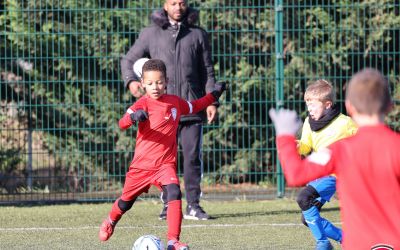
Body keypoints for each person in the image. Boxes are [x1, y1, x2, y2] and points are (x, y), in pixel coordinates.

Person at [99, 59, 225, 250]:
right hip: (141, 166)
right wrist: (134, 117)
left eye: (158, 82)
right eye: (149, 83)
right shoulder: (142, 104)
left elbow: (196, 105)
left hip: (165, 165)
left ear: (166, 81)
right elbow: (122, 123)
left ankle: (173, 241)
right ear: (142, 83)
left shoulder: (174, 102)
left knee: (174, 192)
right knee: (126, 202)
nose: (155, 87)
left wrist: (214, 94)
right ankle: (110, 220)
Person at [269, 68, 400, 249]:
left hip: (359, 243)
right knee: (307, 214)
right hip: (393, 241)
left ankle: (323, 243)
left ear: (350, 107)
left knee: (306, 201)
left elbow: (295, 174)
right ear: (390, 107)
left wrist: (284, 137)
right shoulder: (395, 147)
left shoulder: (340, 150)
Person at [121, 0, 217, 221]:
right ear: (165, 5)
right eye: (173, 3)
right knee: (165, 161)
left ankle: (193, 205)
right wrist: (131, 82)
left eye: (182, 3)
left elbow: (208, 71)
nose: (178, 7)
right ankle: (168, 205)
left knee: (192, 158)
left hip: (190, 108)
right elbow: (128, 60)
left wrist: (211, 100)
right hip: (160, 114)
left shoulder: (198, 34)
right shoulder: (150, 34)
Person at [295, 79, 357, 250]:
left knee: (303, 198)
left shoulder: (345, 123)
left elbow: (365, 141)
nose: (309, 110)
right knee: (307, 218)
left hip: (337, 175)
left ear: (327, 104)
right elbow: (306, 145)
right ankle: (345, 238)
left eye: (313, 106)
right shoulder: (309, 122)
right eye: (307, 106)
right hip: (320, 174)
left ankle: (323, 244)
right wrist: (297, 147)